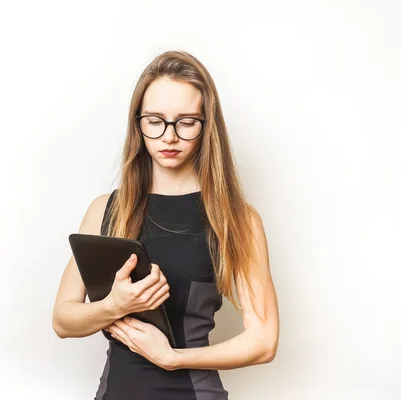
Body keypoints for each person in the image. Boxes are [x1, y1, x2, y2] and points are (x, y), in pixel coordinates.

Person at [52, 50, 279, 400]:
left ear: (207, 126)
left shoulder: (236, 219)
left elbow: (264, 341)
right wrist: (115, 306)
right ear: (138, 123)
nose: (169, 136)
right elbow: (63, 320)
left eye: (186, 121)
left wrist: (172, 358)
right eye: (155, 120)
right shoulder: (106, 210)